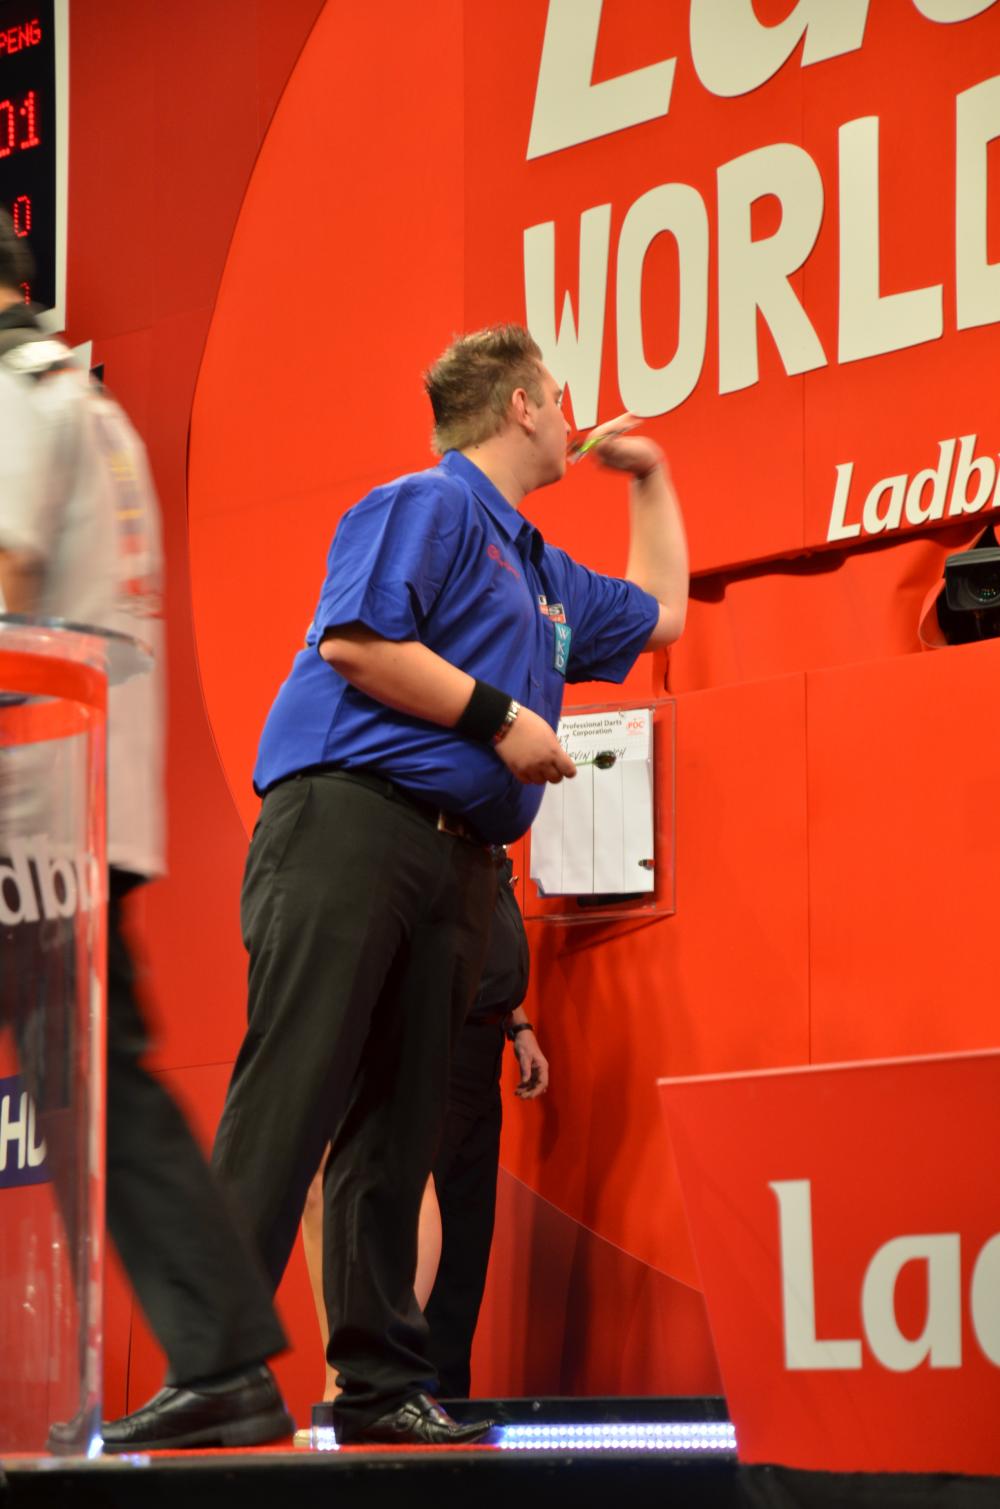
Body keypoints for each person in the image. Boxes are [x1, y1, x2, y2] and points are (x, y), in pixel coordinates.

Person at [203, 323, 687, 1448]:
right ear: (522, 405)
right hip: (349, 823)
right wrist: (502, 717)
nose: (573, 417)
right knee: (294, 1095)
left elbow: (663, 608)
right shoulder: (428, 503)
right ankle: (211, 1368)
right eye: (560, 398)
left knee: (397, 1129)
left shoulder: (542, 572)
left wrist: (652, 476)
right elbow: (358, 642)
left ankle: (375, 1385)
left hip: (456, 861)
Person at [0, 212, 291, 1453]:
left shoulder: (16, 394)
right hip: (81, 801)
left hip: (27, 804)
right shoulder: (92, 403)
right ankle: (223, 1358)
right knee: (96, 1090)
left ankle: (224, 1357)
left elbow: (6, 576)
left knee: (100, 1090)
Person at [296, 857, 539, 1435]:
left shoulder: (480, 842)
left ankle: (432, 1407)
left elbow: (486, 929)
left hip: (481, 1044)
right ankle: (364, 1387)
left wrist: (519, 1025)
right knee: (401, 1199)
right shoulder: (415, 836)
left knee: (462, 1253)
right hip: (428, 1033)